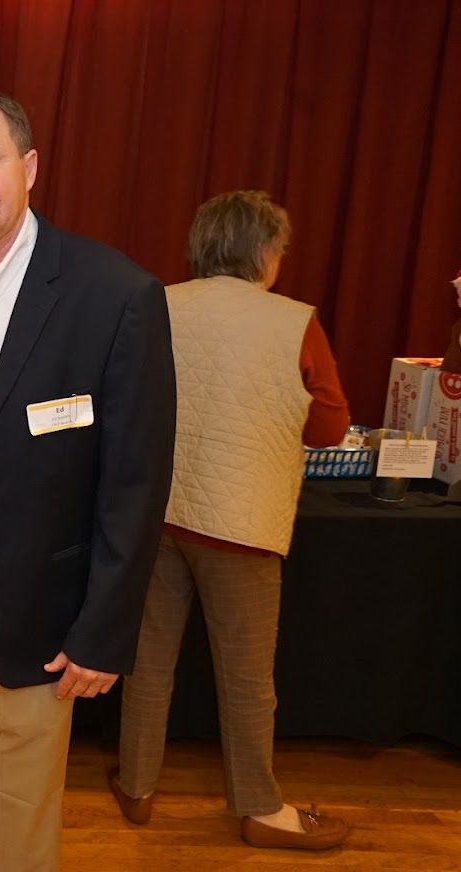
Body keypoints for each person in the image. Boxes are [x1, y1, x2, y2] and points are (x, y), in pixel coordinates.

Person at [0, 87, 176, 871]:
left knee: (18, 808)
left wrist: (104, 630)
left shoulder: (114, 295)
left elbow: (135, 481)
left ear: (28, 168)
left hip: (37, 596)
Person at [110, 190, 351, 850]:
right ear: (263, 252)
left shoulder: (156, 304)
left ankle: (136, 786)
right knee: (246, 679)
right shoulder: (292, 322)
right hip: (242, 526)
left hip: (158, 514)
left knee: (147, 660)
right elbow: (329, 429)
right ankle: (258, 808)